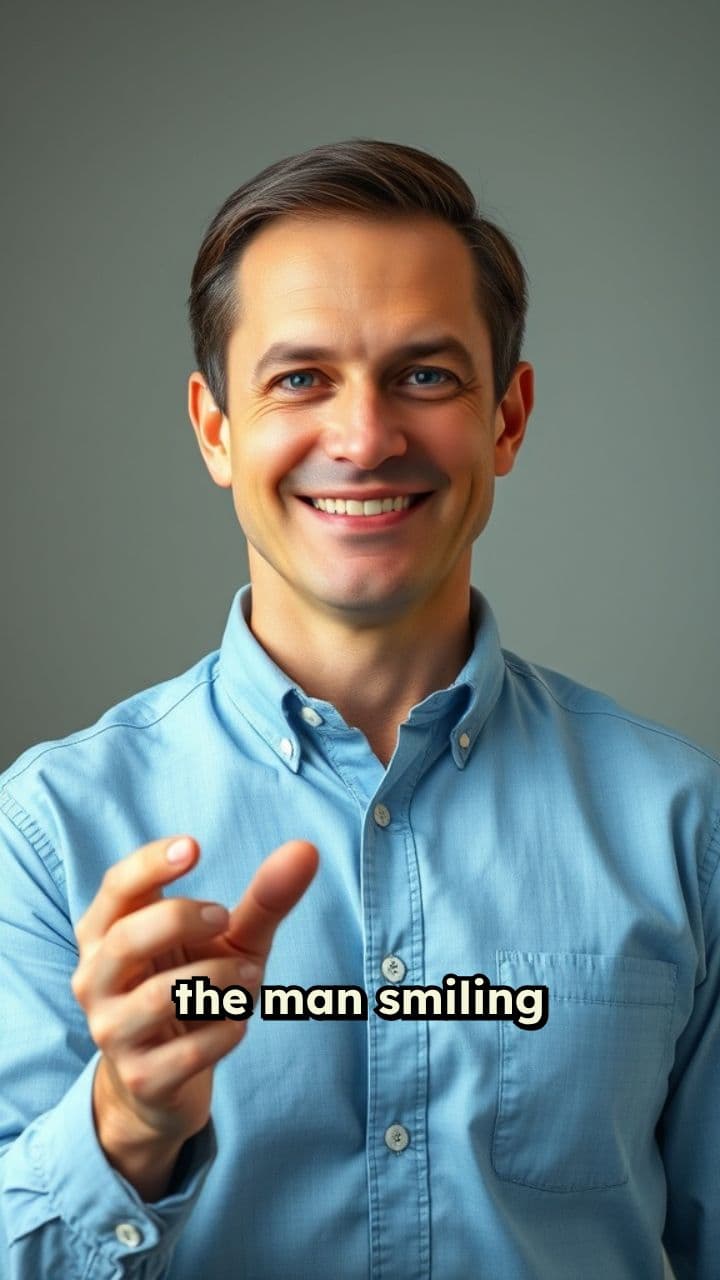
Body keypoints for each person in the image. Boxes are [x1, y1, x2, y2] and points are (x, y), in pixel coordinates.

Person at [0, 138, 717, 1280]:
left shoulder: (686, 824)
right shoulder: (46, 832)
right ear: (214, 428)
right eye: (299, 378)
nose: (365, 435)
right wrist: (126, 1123)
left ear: (508, 418)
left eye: (426, 374)